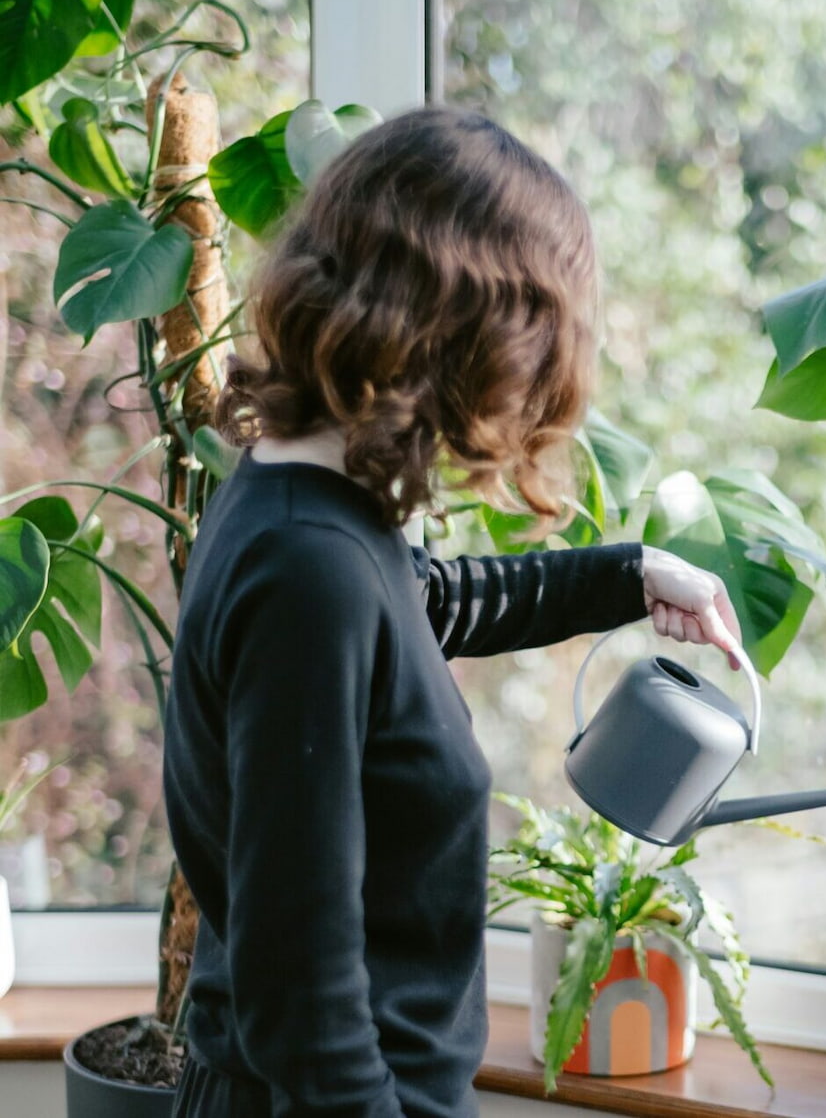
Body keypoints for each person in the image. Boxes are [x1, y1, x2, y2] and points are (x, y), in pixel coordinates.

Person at [162, 107, 741, 1118]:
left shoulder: (303, 498)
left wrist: (631, 575)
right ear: (473, 340)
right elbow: (304, 1010)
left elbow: (422, 606)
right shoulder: (310, 572)